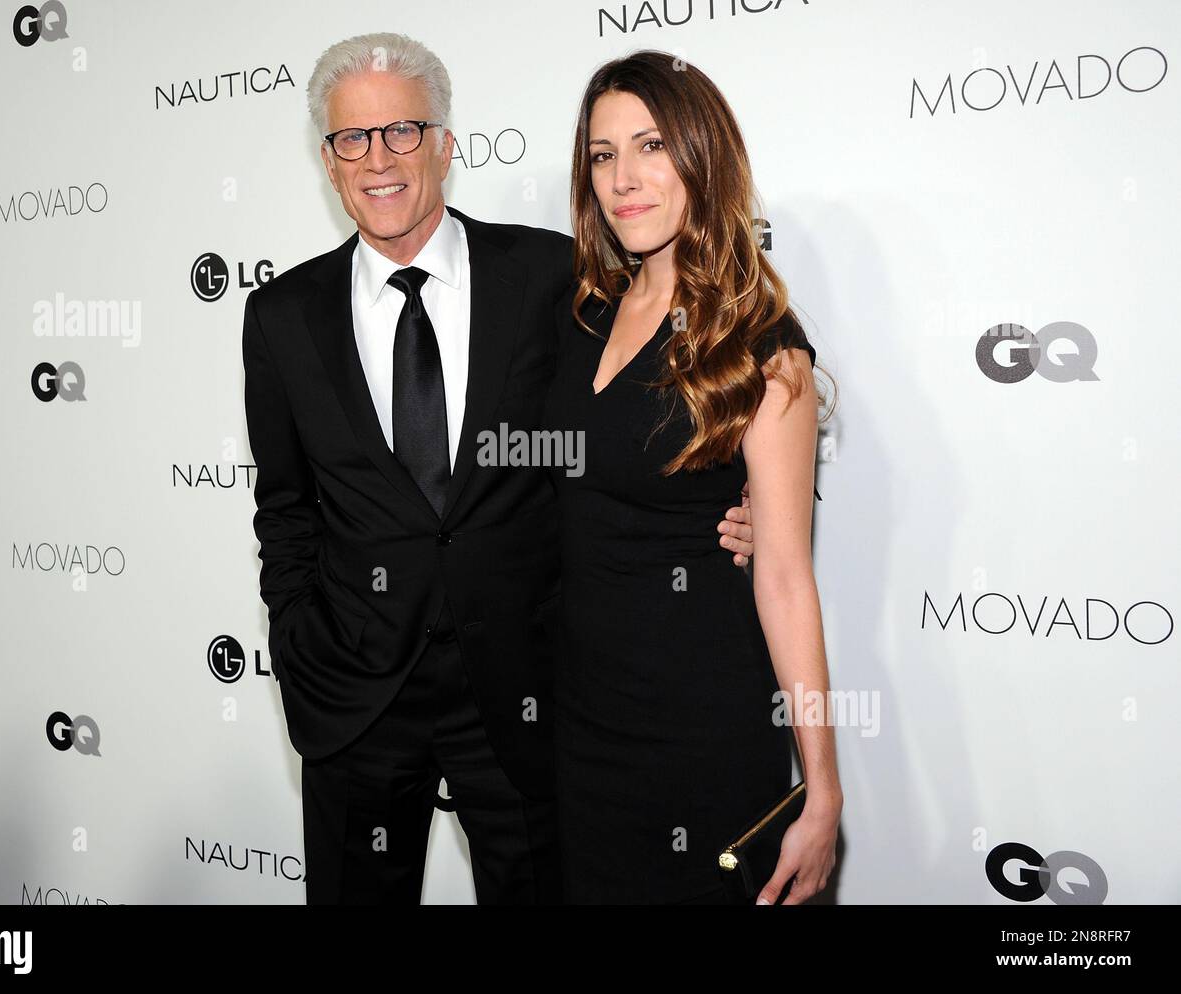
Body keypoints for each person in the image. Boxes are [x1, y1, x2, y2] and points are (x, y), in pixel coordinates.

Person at [241, 33, 757, 904]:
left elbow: (665, 381)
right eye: (352, 140)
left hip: (525, 695)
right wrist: (299, 644)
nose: (379, 159)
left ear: (446, 143)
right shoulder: (281, 316)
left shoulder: (552, 275)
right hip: (356, 702)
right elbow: (285, 506)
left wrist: (754, 492)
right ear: (327, 162)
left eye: (403, 131)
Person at [541, 50, 843, 904]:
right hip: (580, 722)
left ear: (703, 156)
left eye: (651, 146)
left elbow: (785, 576)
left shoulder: (761, 347)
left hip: (698, 728)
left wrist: (821, 790)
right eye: (603, 155)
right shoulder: (581, 314)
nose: (624, 178)